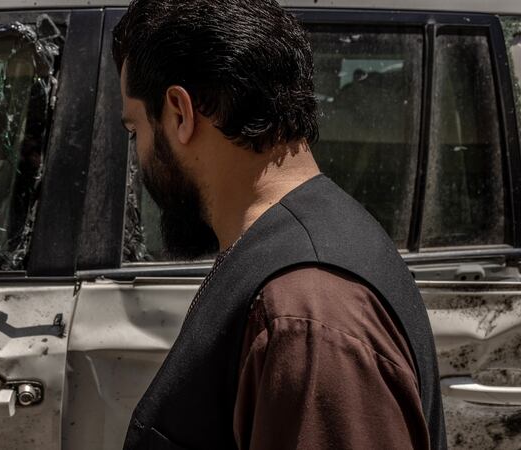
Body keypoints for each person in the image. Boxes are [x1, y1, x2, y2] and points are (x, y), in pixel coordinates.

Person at [112, 0, 445, 449]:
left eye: (136, 131)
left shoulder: (306, 313)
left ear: (179, 113)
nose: (139, 155)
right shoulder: (297, 256)